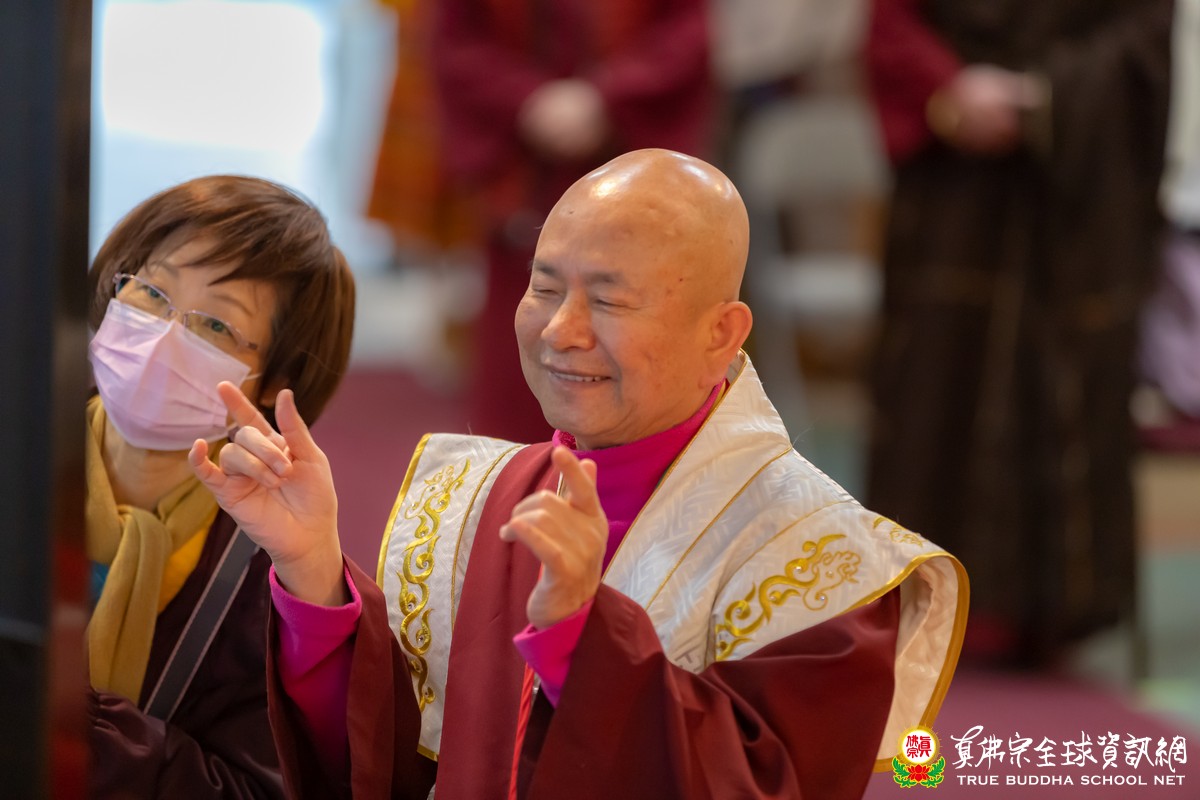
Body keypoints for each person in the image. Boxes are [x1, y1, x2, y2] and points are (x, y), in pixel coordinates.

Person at [192, 150, 967, 799]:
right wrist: (313, 575)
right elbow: (384, 766)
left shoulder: (826, 564)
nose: (561, 330)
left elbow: (763, 784)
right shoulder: (471, 500)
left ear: (721, 333)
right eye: (544, 287)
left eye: (609, 299)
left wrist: (584, 638)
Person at [863, 0, 1175, 667]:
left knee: (1065, 372)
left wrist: (1047, 98)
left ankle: (1050, 608)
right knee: (937, 373)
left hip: (1079, 191)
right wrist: (946, 88)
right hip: (951, 179)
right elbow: (890, 20)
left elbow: (1144, 35)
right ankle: (926, 591)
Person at [85, 175, 356, 797]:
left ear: (273, 380)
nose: (162, 335)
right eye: (150, 291)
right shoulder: (24, 443)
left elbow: (248, 787)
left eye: (213, 325)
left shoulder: (268, 565)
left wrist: (69, 719)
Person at [428, 0, 715, 443]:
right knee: (526, 349)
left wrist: (606, 98)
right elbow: (458, 41)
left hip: (632, 170)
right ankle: (522, 476)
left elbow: (684, 36)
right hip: (523, 186)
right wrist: (527, 100)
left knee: (641, 365)